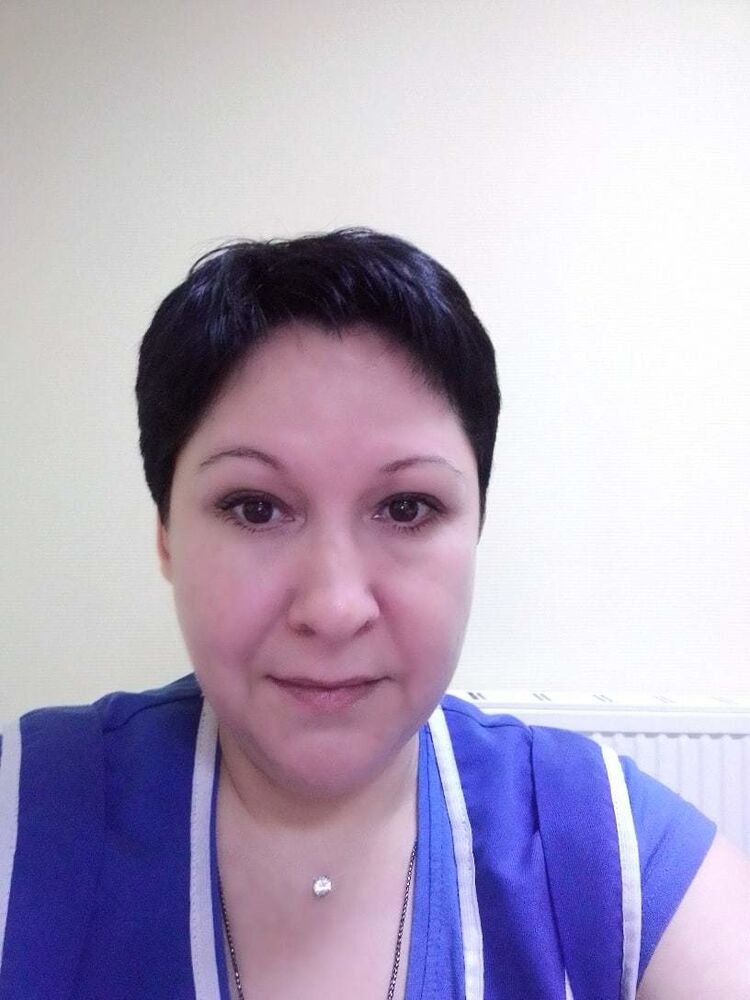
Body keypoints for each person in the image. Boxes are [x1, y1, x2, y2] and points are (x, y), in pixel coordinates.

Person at [0, 229, 748, 1000]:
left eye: (406, 507)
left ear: (476, 528)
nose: (334, 609)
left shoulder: (602, 851)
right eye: (255, 507)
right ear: (166, 534)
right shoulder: (26, 819)